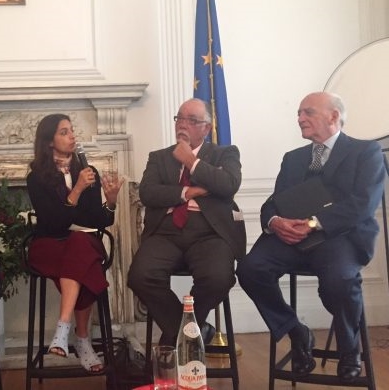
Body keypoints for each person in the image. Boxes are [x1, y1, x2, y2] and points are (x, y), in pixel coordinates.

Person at [236, 92, 386, 381]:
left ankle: (349, 349)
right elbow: (273, 202)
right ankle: (296, 331)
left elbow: (363, 204)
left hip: (339, 237)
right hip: (292, 238)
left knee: (339, 280)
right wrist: (275, 221)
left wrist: (315, 223)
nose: (300, 118)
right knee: (250, 268)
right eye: (298, 113)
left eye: (308, 112)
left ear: (333, 116)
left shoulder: (365, 152)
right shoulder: (293, 158)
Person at [128, 98, 246, 347]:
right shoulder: (159, 157)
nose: (182, 124)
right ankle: (192, 331)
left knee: (218, 278)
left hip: (209, 232)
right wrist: (187, 192)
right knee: (140, 276)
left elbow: (228, 185)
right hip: (166, 232)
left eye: (191, 120)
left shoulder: (224, 154)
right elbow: (148, 193)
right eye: (179, 118)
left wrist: (191, 161)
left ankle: (177, 335)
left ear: (206, 127)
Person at [26, 113, 124, 373]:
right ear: (49, 141)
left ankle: (63, 330)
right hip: (50, 243)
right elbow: (53, 223)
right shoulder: (36, 177)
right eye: (64, 132)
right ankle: (82, 340)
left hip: (81, 242)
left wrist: (110, 202)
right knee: (85, 261)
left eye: (72, 131)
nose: (72, 137)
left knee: (80, 243)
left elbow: (98, 221)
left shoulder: (88, 172)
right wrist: (77, 189)